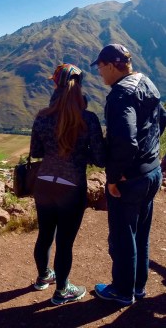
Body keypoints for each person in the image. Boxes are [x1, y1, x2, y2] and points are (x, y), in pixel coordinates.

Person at [90, 43, 166, 306]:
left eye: (100, 67)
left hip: (129, 178)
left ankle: (122, 291)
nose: (99, 73)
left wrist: (114, 176)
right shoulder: (146, 82)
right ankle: (138, 287)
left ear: (111, 65)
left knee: (123, 236)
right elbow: (162, 119)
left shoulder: (120, 94)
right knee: (141, 234)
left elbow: (125, 139)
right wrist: (151, 154)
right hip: (152, 172)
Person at [30, 63, 105, 306]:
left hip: (43, 183)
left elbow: (36, 151)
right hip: (71, 187)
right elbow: (100, 158)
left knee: (44, 235)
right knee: (64, 242)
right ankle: (62, 290)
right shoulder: (88, 119)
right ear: (79, 86)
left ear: (54, 84)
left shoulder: (42, 116)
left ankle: (43, 277)